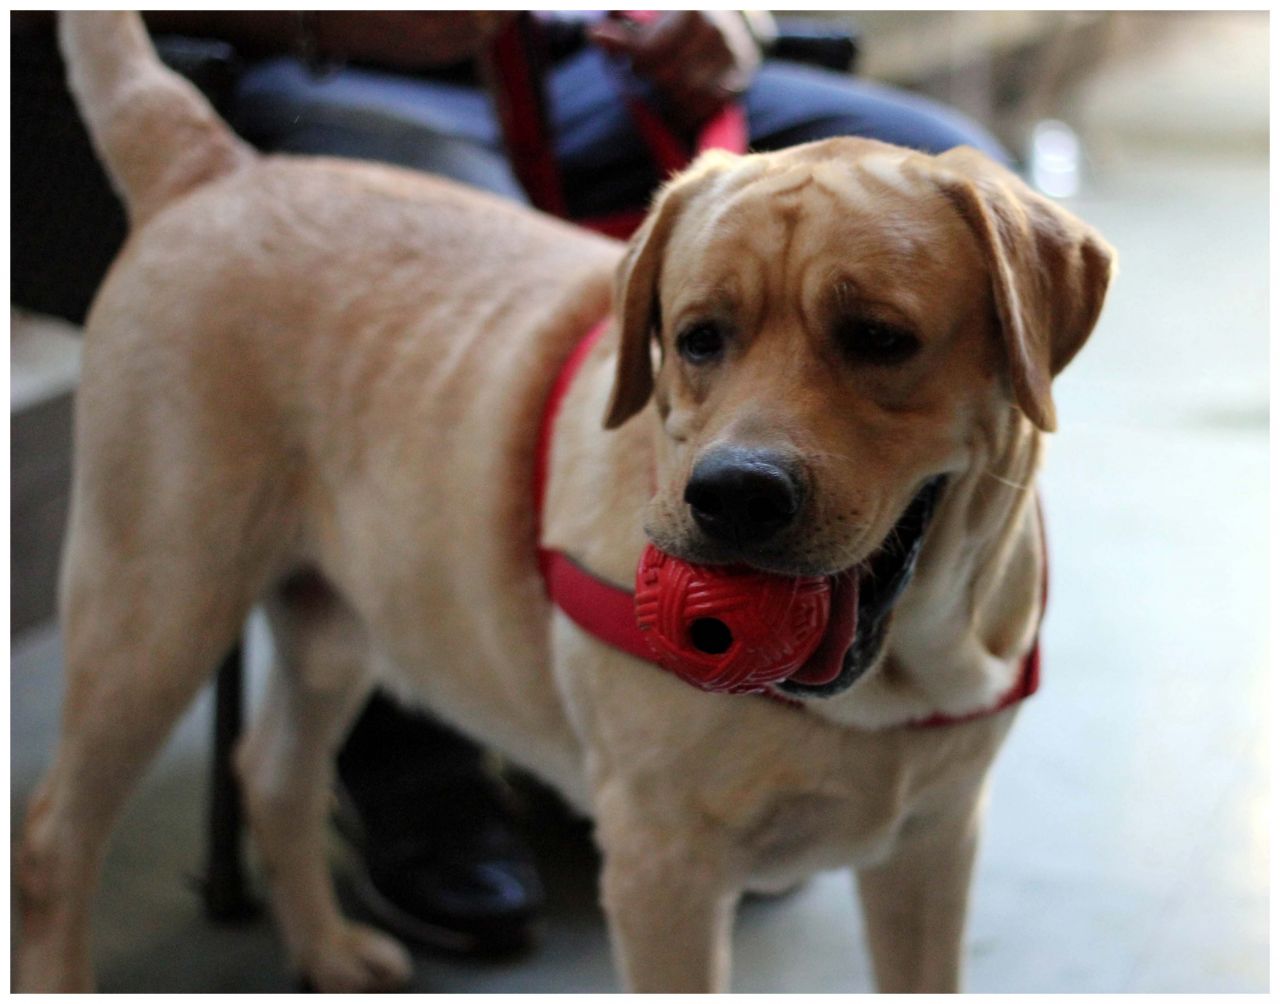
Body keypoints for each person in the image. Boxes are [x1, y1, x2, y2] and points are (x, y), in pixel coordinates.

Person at [11, 10, 1009, 958]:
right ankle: (393, 802)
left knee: (931, 142)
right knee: (135, 679)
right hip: (334, 65)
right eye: (698, 339)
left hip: (592, 62)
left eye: (876, 338)